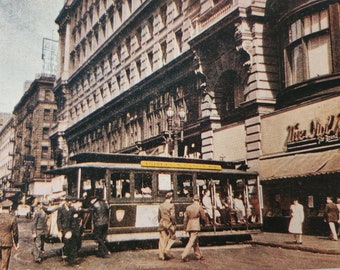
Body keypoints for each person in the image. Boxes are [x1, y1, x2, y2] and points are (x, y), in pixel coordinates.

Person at [181, 194, 208, 262]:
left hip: (189, 225)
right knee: (191, 241)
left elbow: (185, 219)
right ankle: (184, 255)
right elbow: (203, 217)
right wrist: (204, 224)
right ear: (199, 200)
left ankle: (198, 255)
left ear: (193, 200)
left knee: (195, 241)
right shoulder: (199, 207)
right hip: (195, 225)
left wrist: (185, 228)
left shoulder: (188, 207)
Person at [57, 197, 82, 265]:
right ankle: (67, 255)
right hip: (65, 228)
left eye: (71, 202)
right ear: (66, 202)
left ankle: (72, 260)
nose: (70, 203)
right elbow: (59, 220)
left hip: (72, 229)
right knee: (67, 243)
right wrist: (60, 229)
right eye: (69, 202)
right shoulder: (61, 209)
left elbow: (76, 217)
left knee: (73, 244)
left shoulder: (72, 209)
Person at [0, 200, 19, 270]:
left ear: (1, 207)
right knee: (5, 261)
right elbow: (15, 232)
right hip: (7, 242)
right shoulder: (12, 218)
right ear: (10, 208)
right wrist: (16, 242)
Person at [158, 192, 176, 260]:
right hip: (168, 224)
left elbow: (159, 216)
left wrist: (160, 222)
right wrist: (174, 223)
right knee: (173, 237)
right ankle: (166, 249)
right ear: (171, 198)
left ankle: (161, 255)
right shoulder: (171, 205)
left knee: (162, 239)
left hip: (162, 223)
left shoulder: (161, 205)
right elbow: (172, 216)